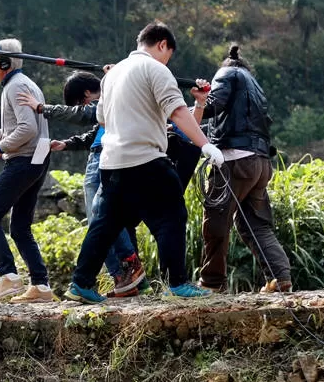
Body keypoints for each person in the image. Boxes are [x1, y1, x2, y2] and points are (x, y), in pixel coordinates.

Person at [65, 22, 224, 304]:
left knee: (106, 223)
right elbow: (176, 112)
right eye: (168, 54)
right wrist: (206, 144)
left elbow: (101, 118)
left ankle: (80, 284)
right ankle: (177, 283)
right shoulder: (156, 69)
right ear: (162, 44)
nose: (167, 61)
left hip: (111, 163)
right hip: (146, 159)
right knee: (171, 216)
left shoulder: (111, 77)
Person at [19, 71, 147, 298]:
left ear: (87, 94)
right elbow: (94, 134)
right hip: (110, 155)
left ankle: (127, 266)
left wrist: (42, 108)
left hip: (104, 158)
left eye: (80, 101)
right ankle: (126, 280)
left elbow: (82, 114)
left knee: (100, 219)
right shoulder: (115, 104)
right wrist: (67, 144)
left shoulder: (107, 99)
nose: (84, 106)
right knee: (110, 220)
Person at [197, 44, 292, 294]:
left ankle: (212, 282)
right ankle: (280, 277)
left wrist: (198, 100)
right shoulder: (254, 85)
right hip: (260, 163)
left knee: (216, 221)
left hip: (233, 161)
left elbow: (213, 106)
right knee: (257, 224)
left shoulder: (225, 75)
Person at [0, 38, 55, 303]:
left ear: (5, 62)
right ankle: (41, 287)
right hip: (37, 157)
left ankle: (8, 276)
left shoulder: (15, 86)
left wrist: (0, 146)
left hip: (23, 159)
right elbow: (25, 127)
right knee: (20, 227)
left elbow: (27, 129)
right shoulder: (23, 83)